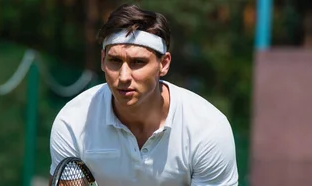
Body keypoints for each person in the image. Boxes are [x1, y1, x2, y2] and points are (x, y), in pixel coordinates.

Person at [49, 3, 239, 186]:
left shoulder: (208, 129)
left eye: (138, 62)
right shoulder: (72, 122)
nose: (123, 76)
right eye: (114, 60)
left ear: (163, 64)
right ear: (102, 60)